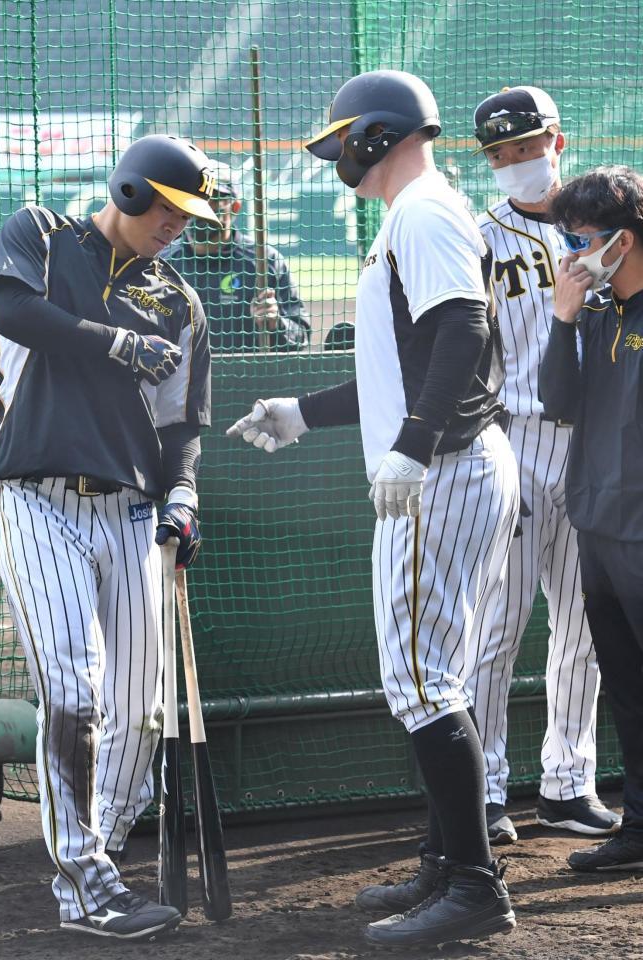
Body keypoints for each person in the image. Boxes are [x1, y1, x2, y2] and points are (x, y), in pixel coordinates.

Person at [227, 70, 519, 948]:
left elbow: (464, 330)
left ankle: (472, 885)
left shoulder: (422, 209)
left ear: (376, 133)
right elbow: (406, 359)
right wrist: (301, 412)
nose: (332, 157)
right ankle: (446, 860)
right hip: (461, 469)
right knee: (442, 679)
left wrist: (414, 445)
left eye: (341, 139)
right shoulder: (422, 209)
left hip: (445, 474)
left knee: (421, 683)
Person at [0, 134, 216, 940]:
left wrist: (182, 494)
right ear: (125, 189)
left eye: (187, 215)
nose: (174, 225)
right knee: (75, 694)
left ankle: (102, 852)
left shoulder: (179, 302)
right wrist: (114, 342)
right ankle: (82, 884)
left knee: (140, 712)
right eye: (164, 207)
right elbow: (13, 310)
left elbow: (182, 425)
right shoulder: (41, 234)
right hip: (38, 500)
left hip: (128, 511)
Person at [466, 86, 620, 846]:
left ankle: (566, 785)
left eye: (525, 147)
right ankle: (484, 788)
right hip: (516, 439)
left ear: (556, 140)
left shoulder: (601, 227)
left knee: (584, 626)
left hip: (591, 446)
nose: (514, 164)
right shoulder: (478, 237)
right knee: (495, 626)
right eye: (499, 154)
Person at [539, 164, 643, 872]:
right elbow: (559, 403)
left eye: (582, 240)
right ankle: (638, 826)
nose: (572, 254)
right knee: (628, 689)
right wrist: (562, 315)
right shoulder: (598, 309)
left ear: (623, 240)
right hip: (597, 525)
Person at [165, 160, 310, 352]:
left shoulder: (264, 261)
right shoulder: (162, 264)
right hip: (185, 381)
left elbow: (302, 335)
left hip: (251, 379)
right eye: (195, 199)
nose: (202, 209)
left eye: (213, 199)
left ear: (235, 208)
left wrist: (277, 324)